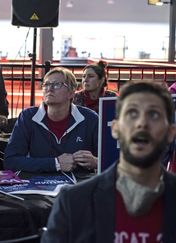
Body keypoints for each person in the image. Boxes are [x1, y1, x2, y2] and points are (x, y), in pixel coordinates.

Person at [42, 81, 176, 242]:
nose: (142, 124)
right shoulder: (73, 203)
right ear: (115, 129)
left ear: (170, 132)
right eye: (132, 114)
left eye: (153, 114)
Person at [4, 67, 98, 173]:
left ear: (71, 93)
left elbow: (112, 161)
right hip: (38, 186)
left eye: (57, 84)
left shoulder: (90, 118)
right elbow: (10, 161)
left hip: (80, 185)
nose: (50, 88)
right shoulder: (28, 117)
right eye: (46, 85)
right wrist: (55, 163)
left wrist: (96, 162)